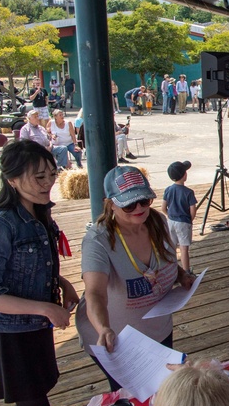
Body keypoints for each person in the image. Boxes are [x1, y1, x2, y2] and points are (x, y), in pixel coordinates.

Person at [0, 140, 77, 406]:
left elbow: (30, 266)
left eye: (52, 174)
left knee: (32, 402)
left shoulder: (39, 211)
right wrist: (45, 308)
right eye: (39, 177)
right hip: (11, 333)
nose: (48, 183)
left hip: (35, 326)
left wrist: (62, 284)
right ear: (12, 179)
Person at [76, 166, 196, 392]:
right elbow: (95, 293)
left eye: (145, 200)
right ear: (110, 203)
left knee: (165, 389)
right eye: (129, 204)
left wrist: (182, 276)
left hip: (157, 327)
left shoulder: (158, 222)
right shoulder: (99, 240)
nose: (139, 208)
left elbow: (167, 261)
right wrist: (103, 328)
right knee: (133, 396)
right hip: (118, 337)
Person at [162, 161, 197, 273]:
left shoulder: (168, 190)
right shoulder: (189, 192)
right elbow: (193, 210)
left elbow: (163, 208)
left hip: (171, 221)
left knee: (171, 247)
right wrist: (189, 220)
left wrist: (169, 216)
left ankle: (172, 270)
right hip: (183, 221)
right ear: (184, 175)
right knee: (183, 248)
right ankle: (186, 271)